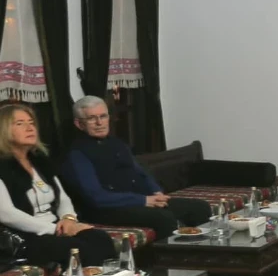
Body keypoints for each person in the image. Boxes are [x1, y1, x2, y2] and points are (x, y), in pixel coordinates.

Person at [61, 95, 211, 239]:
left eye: (103, 116)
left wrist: (156, 191)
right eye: (92, 118)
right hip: (106, 209)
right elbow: (96, 197)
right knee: (163, 218)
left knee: (199, 207)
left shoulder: (117, 143)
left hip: (139, 200)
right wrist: (143, 200)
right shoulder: (76, 153)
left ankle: (200, 251)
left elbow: (140, 172)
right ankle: (166, 257)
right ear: (79, 124)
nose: (99, 123)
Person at [0, 104, 115, 268]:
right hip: (26, 236)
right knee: (78, 249)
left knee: (100, 239)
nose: (29, 128)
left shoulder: (40, 160)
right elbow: (6, 214)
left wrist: (68, 219)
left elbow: (62, 198)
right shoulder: (2, 167)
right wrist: (55, 229)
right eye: (20, 123)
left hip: (56, 227)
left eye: (31, 123)